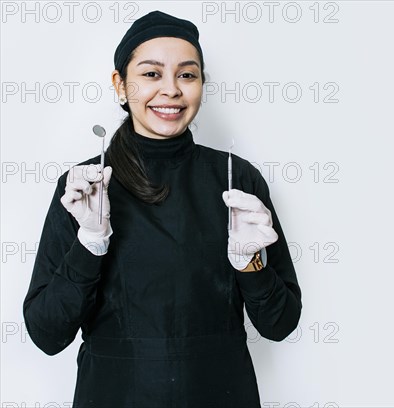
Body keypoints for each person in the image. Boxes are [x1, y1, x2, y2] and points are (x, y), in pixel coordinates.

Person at [22, 10, 302, 407]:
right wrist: (89, 243)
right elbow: (46, 334)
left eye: (187, 75)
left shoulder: (237, 179)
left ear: (202, 84)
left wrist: (249, 265)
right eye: (151, 74)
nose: (171, 90)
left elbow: (280, 323)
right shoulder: (84, 188)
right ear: (121, 85)